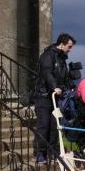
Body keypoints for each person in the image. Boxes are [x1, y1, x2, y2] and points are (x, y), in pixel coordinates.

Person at [33, 33, 76, 163]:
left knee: (54, 126)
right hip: (44, 95)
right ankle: (40, 153)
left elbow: (65, 77)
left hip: (56, 97)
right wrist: (54, 87)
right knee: (44, 125)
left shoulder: (62, 59)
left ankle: (52, 151)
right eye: (69, 46)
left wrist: (72, 88)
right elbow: (47, 73)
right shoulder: (48, 56)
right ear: (62, 44)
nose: (70, 49)